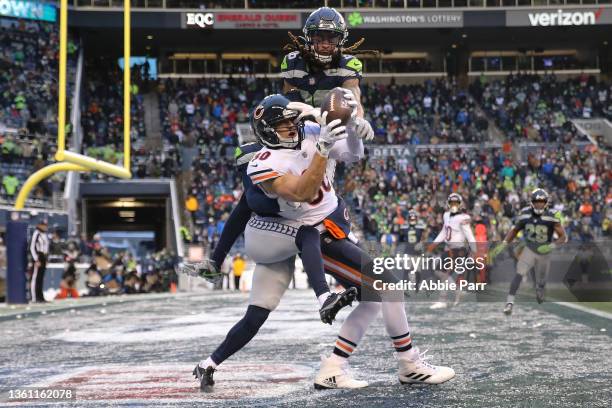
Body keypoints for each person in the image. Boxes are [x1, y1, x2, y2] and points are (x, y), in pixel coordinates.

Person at [193, 95, 455, 392]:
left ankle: (334, 368)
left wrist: (354, 129)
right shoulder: (262, 165)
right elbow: (303, 192)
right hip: (318, 235)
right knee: (389, 286)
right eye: (282, 125)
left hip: (335, 226)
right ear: (266, 131)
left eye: (292, 122)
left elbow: (353, 155)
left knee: (373, 298)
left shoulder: (310, 131)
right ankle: (409, 364)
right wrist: (322, 148)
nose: (292, 128)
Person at [489, 188, 567, 315]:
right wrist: (503, 243)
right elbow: (514, 231)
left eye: (542, 201)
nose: (539, 204)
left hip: (544, 252)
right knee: (519, 274)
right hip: (529, 249)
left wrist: (551, 246)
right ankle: (509, 303)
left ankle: (540, 288)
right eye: (537, 201)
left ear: (546, 202)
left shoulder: (552, 216)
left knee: (541, 281)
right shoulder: (525, 214)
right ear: (532, 202)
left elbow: (563, 237)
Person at [427, 193, 478, 309]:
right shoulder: (446, 215)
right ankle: (457, 291)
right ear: (448, 204)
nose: (454, 205)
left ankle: (443, 300)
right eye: (452, 203)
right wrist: (434, 244)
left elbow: (469, 235)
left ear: (460, 204)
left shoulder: (463, 217)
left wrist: (474, 250)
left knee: (444, 273)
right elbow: (444, 232)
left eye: (456, 203)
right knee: (438, 271)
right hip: (448, 248)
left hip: (458, 249)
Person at [30, 219, 50, 303]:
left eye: (46, 225)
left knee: (41, 278)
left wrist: (47, 258)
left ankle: (40, 297)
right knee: (36, 277)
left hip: (43, 257)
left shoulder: (44, 234)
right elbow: (32, 247)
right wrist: (36, 259)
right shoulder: (36, 233)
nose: (45, 227)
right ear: (39, 225)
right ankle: (34, 297)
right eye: (43, 225)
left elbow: (46, 248)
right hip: (38, 256)